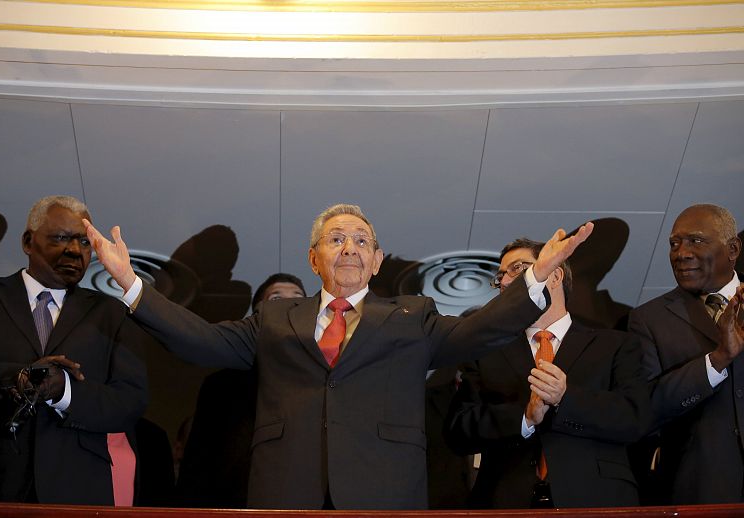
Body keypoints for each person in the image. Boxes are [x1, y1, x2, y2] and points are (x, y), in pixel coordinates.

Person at [84, 203, 593, 509]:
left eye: (361, 240)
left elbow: (478, 330)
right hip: (286, 495)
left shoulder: (412, 315)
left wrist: (533, 281)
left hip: (383, 497)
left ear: (376, 260)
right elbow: (199, 339)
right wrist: (131, 285)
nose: (348, 247)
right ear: (314, 258)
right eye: (335, 238)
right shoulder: (276, 319)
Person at [0, 196, 148, 505]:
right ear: (28, 241)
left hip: (80, 490)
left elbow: (130, 402)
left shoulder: (112, 315)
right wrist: (16, 377)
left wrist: (64, 390)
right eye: (61, 238)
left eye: (84, 242)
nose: (74, 250)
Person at [444, 237, 649, 508]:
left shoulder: (616, 345)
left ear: (554, 275)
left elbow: (635, 419)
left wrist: (567, 398)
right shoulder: (484, 351)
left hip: (596, 502)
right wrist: (524, 418)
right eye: (500, 276)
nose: (505, 282)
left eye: (518, 269)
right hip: (505, 503)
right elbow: (458, 431)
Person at [628, 203, 744, 504]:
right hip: (698, 490)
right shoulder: (649, 319)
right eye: (674, 244)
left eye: (696, 240)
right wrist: (717, 360)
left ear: (732, 249)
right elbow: (646, 409)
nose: (681, 253)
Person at [177, 273, 306, 508]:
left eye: (298, 298)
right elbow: (198, 462)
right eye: (276, 298)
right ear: (258, 314)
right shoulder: (222, 385)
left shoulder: (325, 379)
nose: (289, 304)